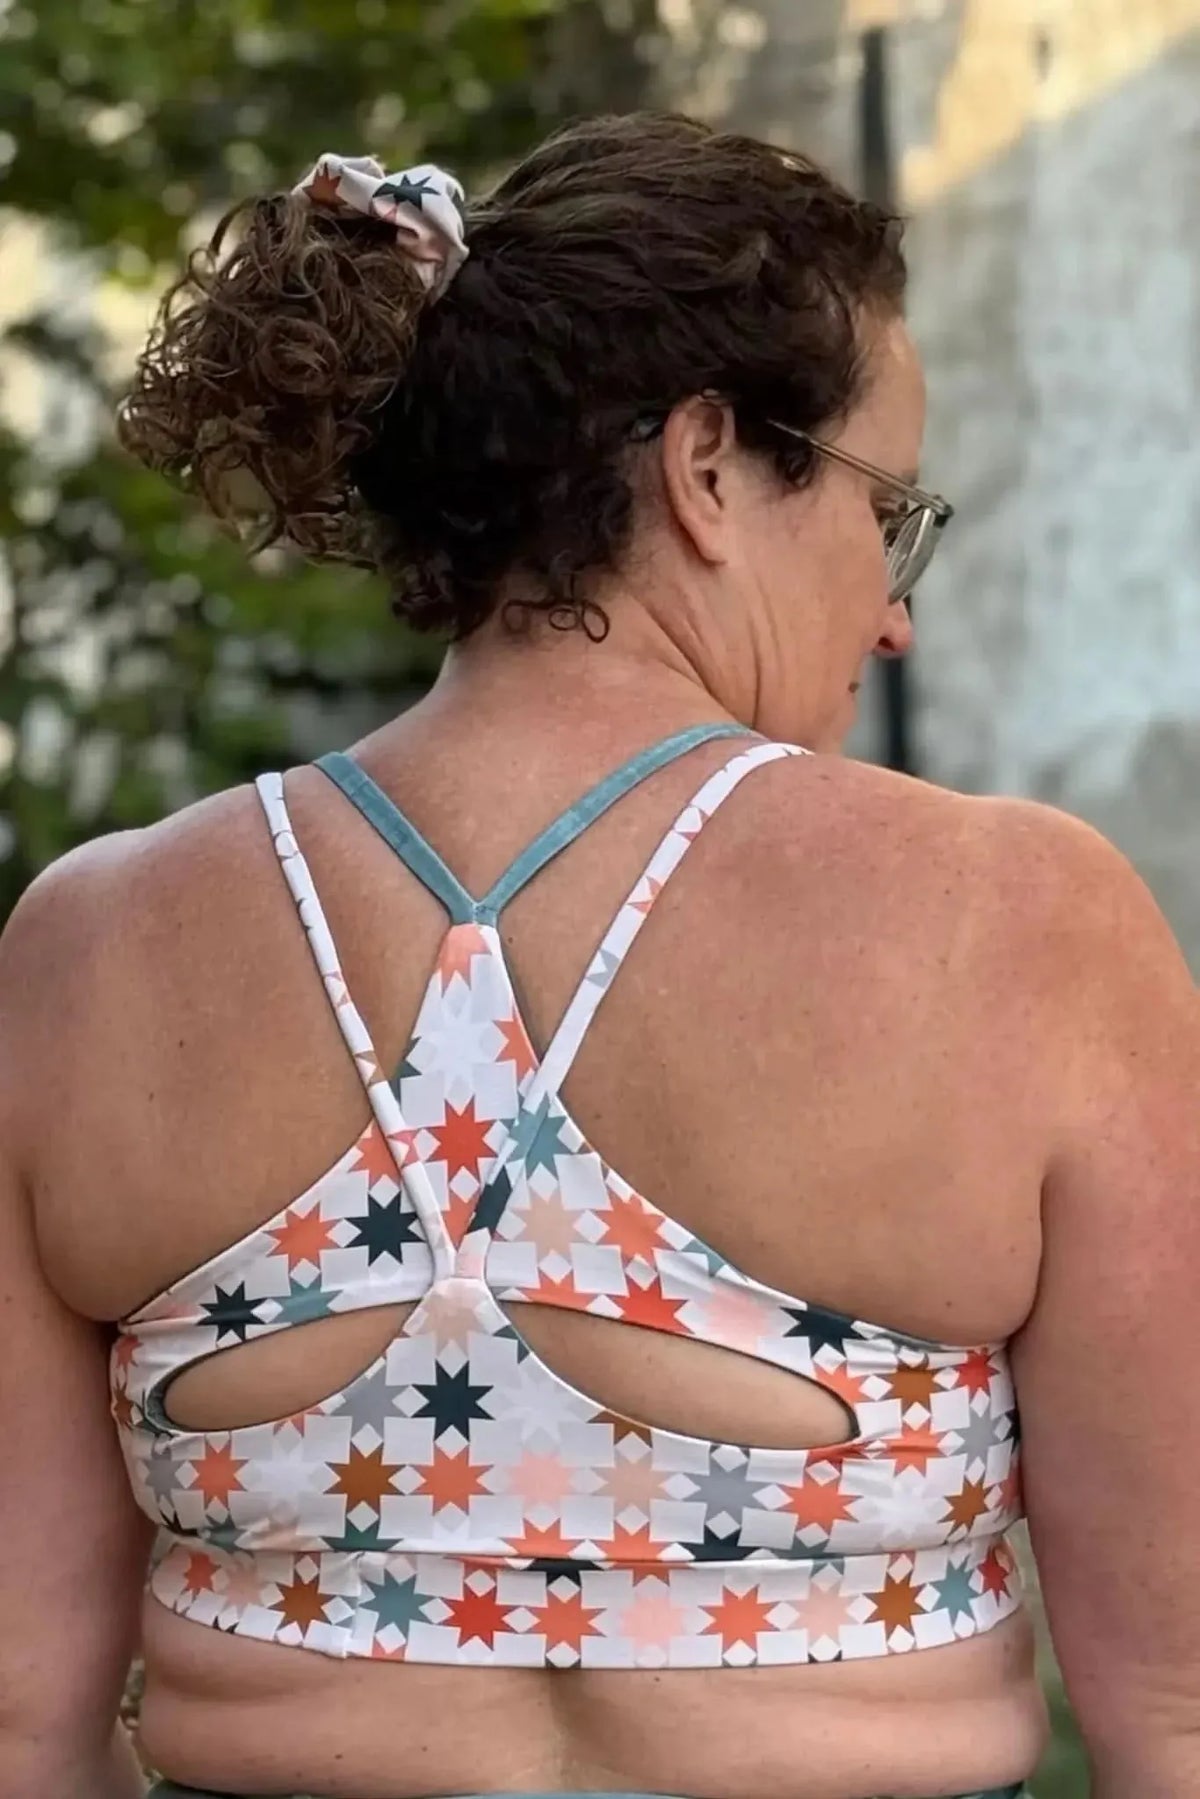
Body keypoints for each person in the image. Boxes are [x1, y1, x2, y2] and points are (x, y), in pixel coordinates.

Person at [0, 110, 1196, 1799]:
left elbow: (18, 1725)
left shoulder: (89, 954)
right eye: (889, 512)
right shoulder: (1024, 929)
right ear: (709, 466)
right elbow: (1186, 1716)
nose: (894, 607)